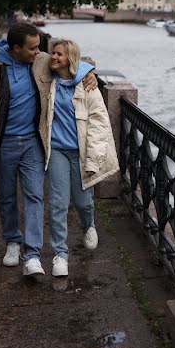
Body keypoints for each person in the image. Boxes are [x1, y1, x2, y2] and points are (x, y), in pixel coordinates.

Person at [0, 23, 97, 277]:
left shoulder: (41, 61)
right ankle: (13, 241)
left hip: (33, 144)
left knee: (35, 196)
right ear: (16, 48)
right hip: (4, 145)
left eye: (39, 47)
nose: (39, 52)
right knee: (6, 197)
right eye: (33, 47)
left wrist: (90, 71)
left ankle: (33, 254)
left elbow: (72, 62)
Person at [45, 38, 118, 277]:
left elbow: (99, 124)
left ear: (71, 60)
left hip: (81, 152)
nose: (53, 57)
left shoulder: (88, 86)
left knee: (83, 202)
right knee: (58, 203)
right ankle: (60, 255)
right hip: (56, 151)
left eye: (59, 55)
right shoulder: (47, 81)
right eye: (52, 53)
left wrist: (94, 160)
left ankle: (88, 225)